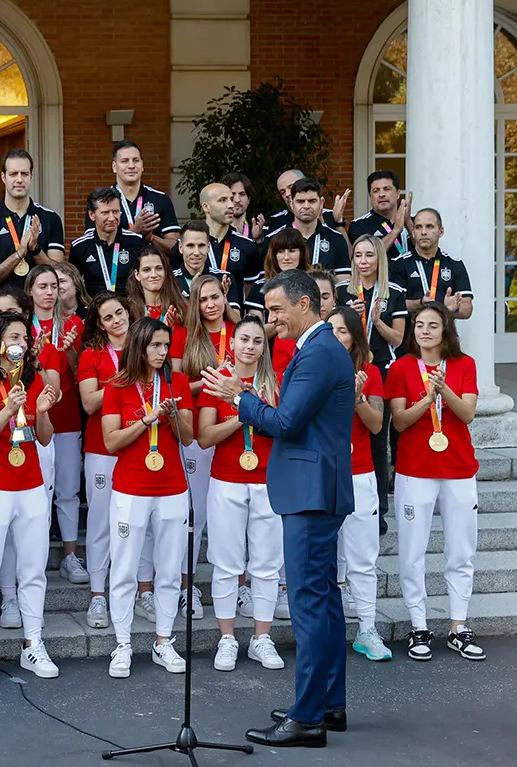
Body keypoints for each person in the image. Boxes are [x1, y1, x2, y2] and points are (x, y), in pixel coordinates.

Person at [202, 269, 355, 749]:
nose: (270, 320)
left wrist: (238, 396)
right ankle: (329, 703)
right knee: (325, 601)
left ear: (305, 305)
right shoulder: (320, 349)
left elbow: (286, 422)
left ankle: (307, 717)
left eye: (276, 309)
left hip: (311, 491)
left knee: (310, 605)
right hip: (316, 487)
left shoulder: (319, 352)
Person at [0, 313, 59, 685]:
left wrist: (44, 413)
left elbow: (45, 437)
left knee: (33, 569)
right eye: (14, 335)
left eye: (25, 337)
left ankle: (34, 643)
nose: (22, 342)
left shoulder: (33, 382)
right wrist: (7, 407)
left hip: (30, 484)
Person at [387, 302, 484, 663]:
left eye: (432, 325)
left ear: (446, 330)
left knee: (461, 551)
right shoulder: (400, 368)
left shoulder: (464, 365)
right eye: (419, 325)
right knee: (413, 554)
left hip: (458, 470)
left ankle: (459, 626)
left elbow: (469, 413)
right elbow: (398, 421)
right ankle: (419, 626)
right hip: (415, 470)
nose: (424, 331)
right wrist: (427, 397)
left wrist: (444, 392)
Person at [100, 316, 193, 678]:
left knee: (169, 570)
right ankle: (122, 643)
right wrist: (146, 420)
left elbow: (188, 438)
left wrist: (170, 419)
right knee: (124, 568)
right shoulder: (118, 386)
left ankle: (163, 641)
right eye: (155, 345)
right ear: (139, 345)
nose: (162, 352)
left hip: (172, 487)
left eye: (166, 346)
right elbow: (111, 441)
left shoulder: (177, 381)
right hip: (131, 487)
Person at [198, 317, 286, 672]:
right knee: (226, 562)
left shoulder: (277, 382)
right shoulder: (216, 382)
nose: (250, 346)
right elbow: (204, 437)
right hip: (227, 479)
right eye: (243, 340)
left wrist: (260, 406)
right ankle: (227, 638)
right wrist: (244, 409)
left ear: (264, 347)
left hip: (268, 480)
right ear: (231, 344)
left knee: (266, 563)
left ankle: (262, 638)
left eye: (257, 341)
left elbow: (285, 428)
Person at [325, 306, 393, 662]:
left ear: (354, 337)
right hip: (323, 472)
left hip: (359, 473)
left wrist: (356, 399)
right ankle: (328, 630)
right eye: (330, 329)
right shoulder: (316, 368)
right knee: (325, 559)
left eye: (342, 331)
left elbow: (378, 424)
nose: (336, 336)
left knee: (363, 557)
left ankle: (367, 628)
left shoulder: (369, 373)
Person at [173, 273, 236, 619]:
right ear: (195, 303)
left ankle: (240, 587)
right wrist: (211, 380)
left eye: (215, 297)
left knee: (232, 515)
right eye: (203, 299)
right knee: (193, 513)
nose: (211, 305)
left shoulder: (240, 332)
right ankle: (188, 587)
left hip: (237, 429)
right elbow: (177, 386)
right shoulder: (184, 336)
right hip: (198, 431)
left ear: (224, 296)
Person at [338, 234, 407, 526]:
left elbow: (399, 338)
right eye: (358, 256)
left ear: (380, 258)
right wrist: (351, 320)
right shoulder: (344, 291)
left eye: (369, 255)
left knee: (379, 441)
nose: (363, 261)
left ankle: (378, 507)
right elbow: (335, 331)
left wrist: (376, 321)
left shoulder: (393, 292)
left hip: (380, 369)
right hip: (346, 368)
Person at [76, 292, 135, 628]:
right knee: (99, 523)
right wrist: (127, 377)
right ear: (99, 325)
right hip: (101, 448)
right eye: (108, 317)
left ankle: (141, 590)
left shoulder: (144, 347)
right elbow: (88, 403)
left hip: (140, 447)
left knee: (138, 524)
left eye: (120, 312)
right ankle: (98, 595)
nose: (117, 320)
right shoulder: (91, 355)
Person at [27, 265, 86, 585]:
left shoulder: (74, 324)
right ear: (31, 291)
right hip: (30, 417)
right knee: (35, 491)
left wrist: (71, 349)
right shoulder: (23, 326)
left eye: (54, 286)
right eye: (42, 287)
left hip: (65, 419)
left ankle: (69, 555)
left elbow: (81, 375)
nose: (49, 292)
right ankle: (34, 552)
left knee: (67, 489)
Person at [0, 149, 65, 293]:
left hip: (42, 305)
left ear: (31, 176)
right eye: (13, 174)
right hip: (4, 309)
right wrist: (19, 253)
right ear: (3, 177)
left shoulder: (50, 218)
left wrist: (36, 250)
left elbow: (60, 275)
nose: (19, 179)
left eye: (24, 174)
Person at [246, 227, 308, 374]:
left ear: (301, 254)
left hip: (306, 357)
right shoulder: (260, 287)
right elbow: (256, 332)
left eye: (292, 250)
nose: (286, 257)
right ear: (273, 256)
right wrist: (290, 318)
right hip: (268, 362)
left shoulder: (311, 285)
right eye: (280, 251)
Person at [393, 208, 473, 319]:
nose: (424, 232)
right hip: (410, 334)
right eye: (418, 227)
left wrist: (450, 310)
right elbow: (392, 304)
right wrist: (421, 303)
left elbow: (467, 309)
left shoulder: (454, 264)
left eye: (430, 227)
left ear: (441, 231)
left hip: (444, 335)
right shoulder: (398, 264)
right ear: (413, 233)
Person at [263, 179, 351, 276]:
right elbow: (267, 279)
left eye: (312, 201)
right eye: (300, 201)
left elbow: (343, 281)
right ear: (292, 204)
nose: (306, 206)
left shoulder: (336, 239)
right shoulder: (273, 239)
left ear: (321, 203)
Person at [69, 187, 145, 298]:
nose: (111, 218)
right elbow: (75, 286)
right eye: (105, 213)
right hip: (93, 310)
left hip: (130, 309)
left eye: (115, 212)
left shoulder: (136, 241)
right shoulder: (79, 246)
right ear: (92, 215)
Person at [105, 140, 181, 253]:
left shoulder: (160, 199)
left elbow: (176, 248)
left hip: (153, 269)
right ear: (114, 166)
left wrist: (151, 238)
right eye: (125, 161)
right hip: (115, 268)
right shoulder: (102, 201)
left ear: (142, 165)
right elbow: (93, 245)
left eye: (136, 160)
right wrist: (135, 230)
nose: (131, 166)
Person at [199, 182, 263, 291]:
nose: (231, 205)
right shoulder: (188, 244)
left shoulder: (247, 245)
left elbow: (250, 290)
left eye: (231, 199)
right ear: (206, 207)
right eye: (223, 200)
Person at [173, 220, 243, 319]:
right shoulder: (170, 280)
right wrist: (192, 296)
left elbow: (237, 321)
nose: (196, 252)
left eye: (201, 245)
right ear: (181, 248)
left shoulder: (224, 278)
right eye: (190, 246)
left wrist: (223, 299)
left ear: (208, 247)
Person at [348, 170, 412, 259]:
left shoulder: (413, 223)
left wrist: (408, 222)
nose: (381, 194)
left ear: (398, 194)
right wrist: (395, 231)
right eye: (376, 191)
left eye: (387, 189)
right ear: (370, 196)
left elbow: (428, 249)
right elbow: (367, 258)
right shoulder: (359, 225)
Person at [126, 246, 185, 328]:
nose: (153, 275)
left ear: (165, 271)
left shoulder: (182, 308)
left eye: (159, 268)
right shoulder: (127, 312)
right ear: (137, 275)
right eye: (146, 270)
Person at [221, 172, 264, 240]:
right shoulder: (215, 233)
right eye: (232, 194)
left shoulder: (256, 232)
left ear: (249, 199)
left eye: (242, 194)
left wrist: (256, 240)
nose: (237, 200)